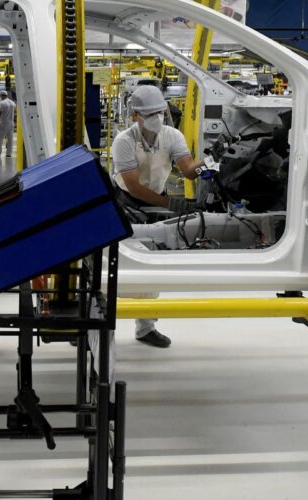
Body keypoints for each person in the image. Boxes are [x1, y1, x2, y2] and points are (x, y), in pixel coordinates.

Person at [112, 85, 205, 348]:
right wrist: (170, 204)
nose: (157, 117)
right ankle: (100, 323)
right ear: (136, 116)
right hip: (126, 202)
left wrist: (207, 163)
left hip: (156, 201)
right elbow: (133, 187)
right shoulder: (124, 141)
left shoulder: (172, 135)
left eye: (160, 112)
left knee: (151, 263)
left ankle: (146, 327)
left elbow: (188, 170)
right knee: (117, 265)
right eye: (150, 114)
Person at [0, 90, 16, 158]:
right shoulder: (12, 103)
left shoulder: (2, 103)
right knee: (10, 140)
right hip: (11, 123)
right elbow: (14, 112)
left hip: (3, 123)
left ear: (2, 96)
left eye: (0, 96)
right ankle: (8, 154)